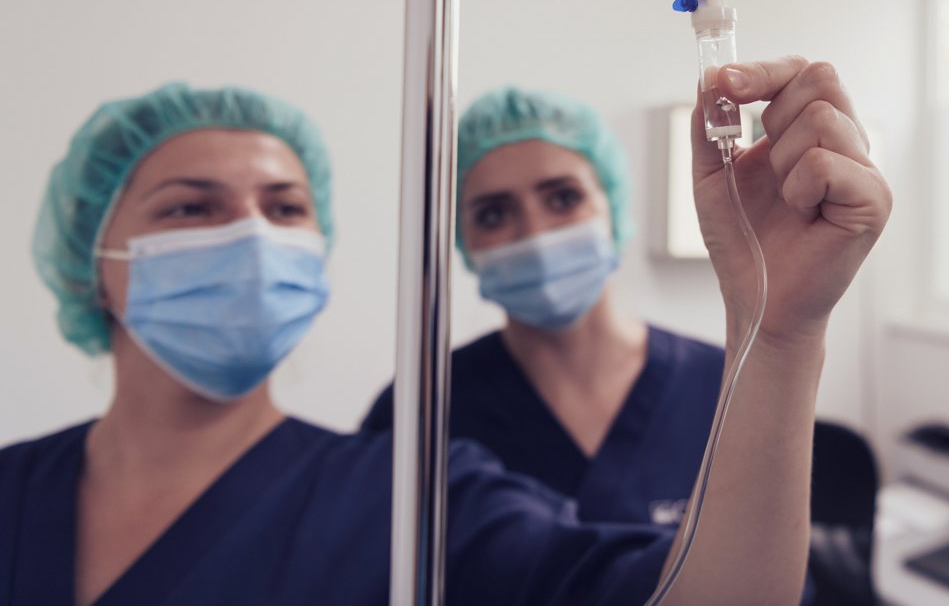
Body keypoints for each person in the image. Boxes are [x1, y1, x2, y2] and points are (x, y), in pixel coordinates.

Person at [0, 56, 891, 606]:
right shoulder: (16, 490)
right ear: (94, 257)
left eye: (285, 206)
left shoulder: (410, 492)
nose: (253, 237)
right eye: (192, 206)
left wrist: (774, 335)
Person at [361, 87, 726, 529]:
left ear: (611, 204)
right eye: (494, 214)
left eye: (564, 198)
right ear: (462, 239)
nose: (534, 234)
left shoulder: (723, 387)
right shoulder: (421, 408)